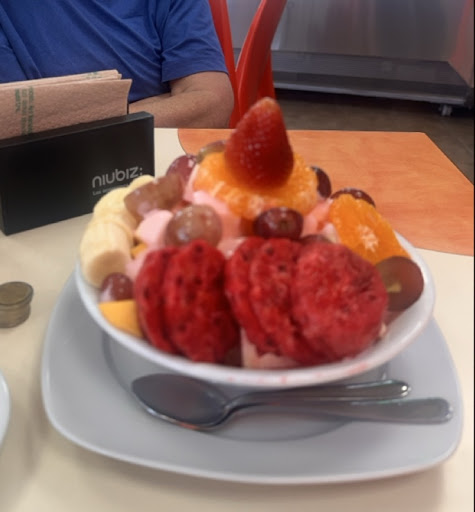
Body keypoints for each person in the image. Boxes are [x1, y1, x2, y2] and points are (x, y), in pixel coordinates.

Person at [0, 0, 234, 128]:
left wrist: (80, 118)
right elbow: (20, 126)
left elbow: (213, 104)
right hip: (55, 178)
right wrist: (163, 104)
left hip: (166, 172)